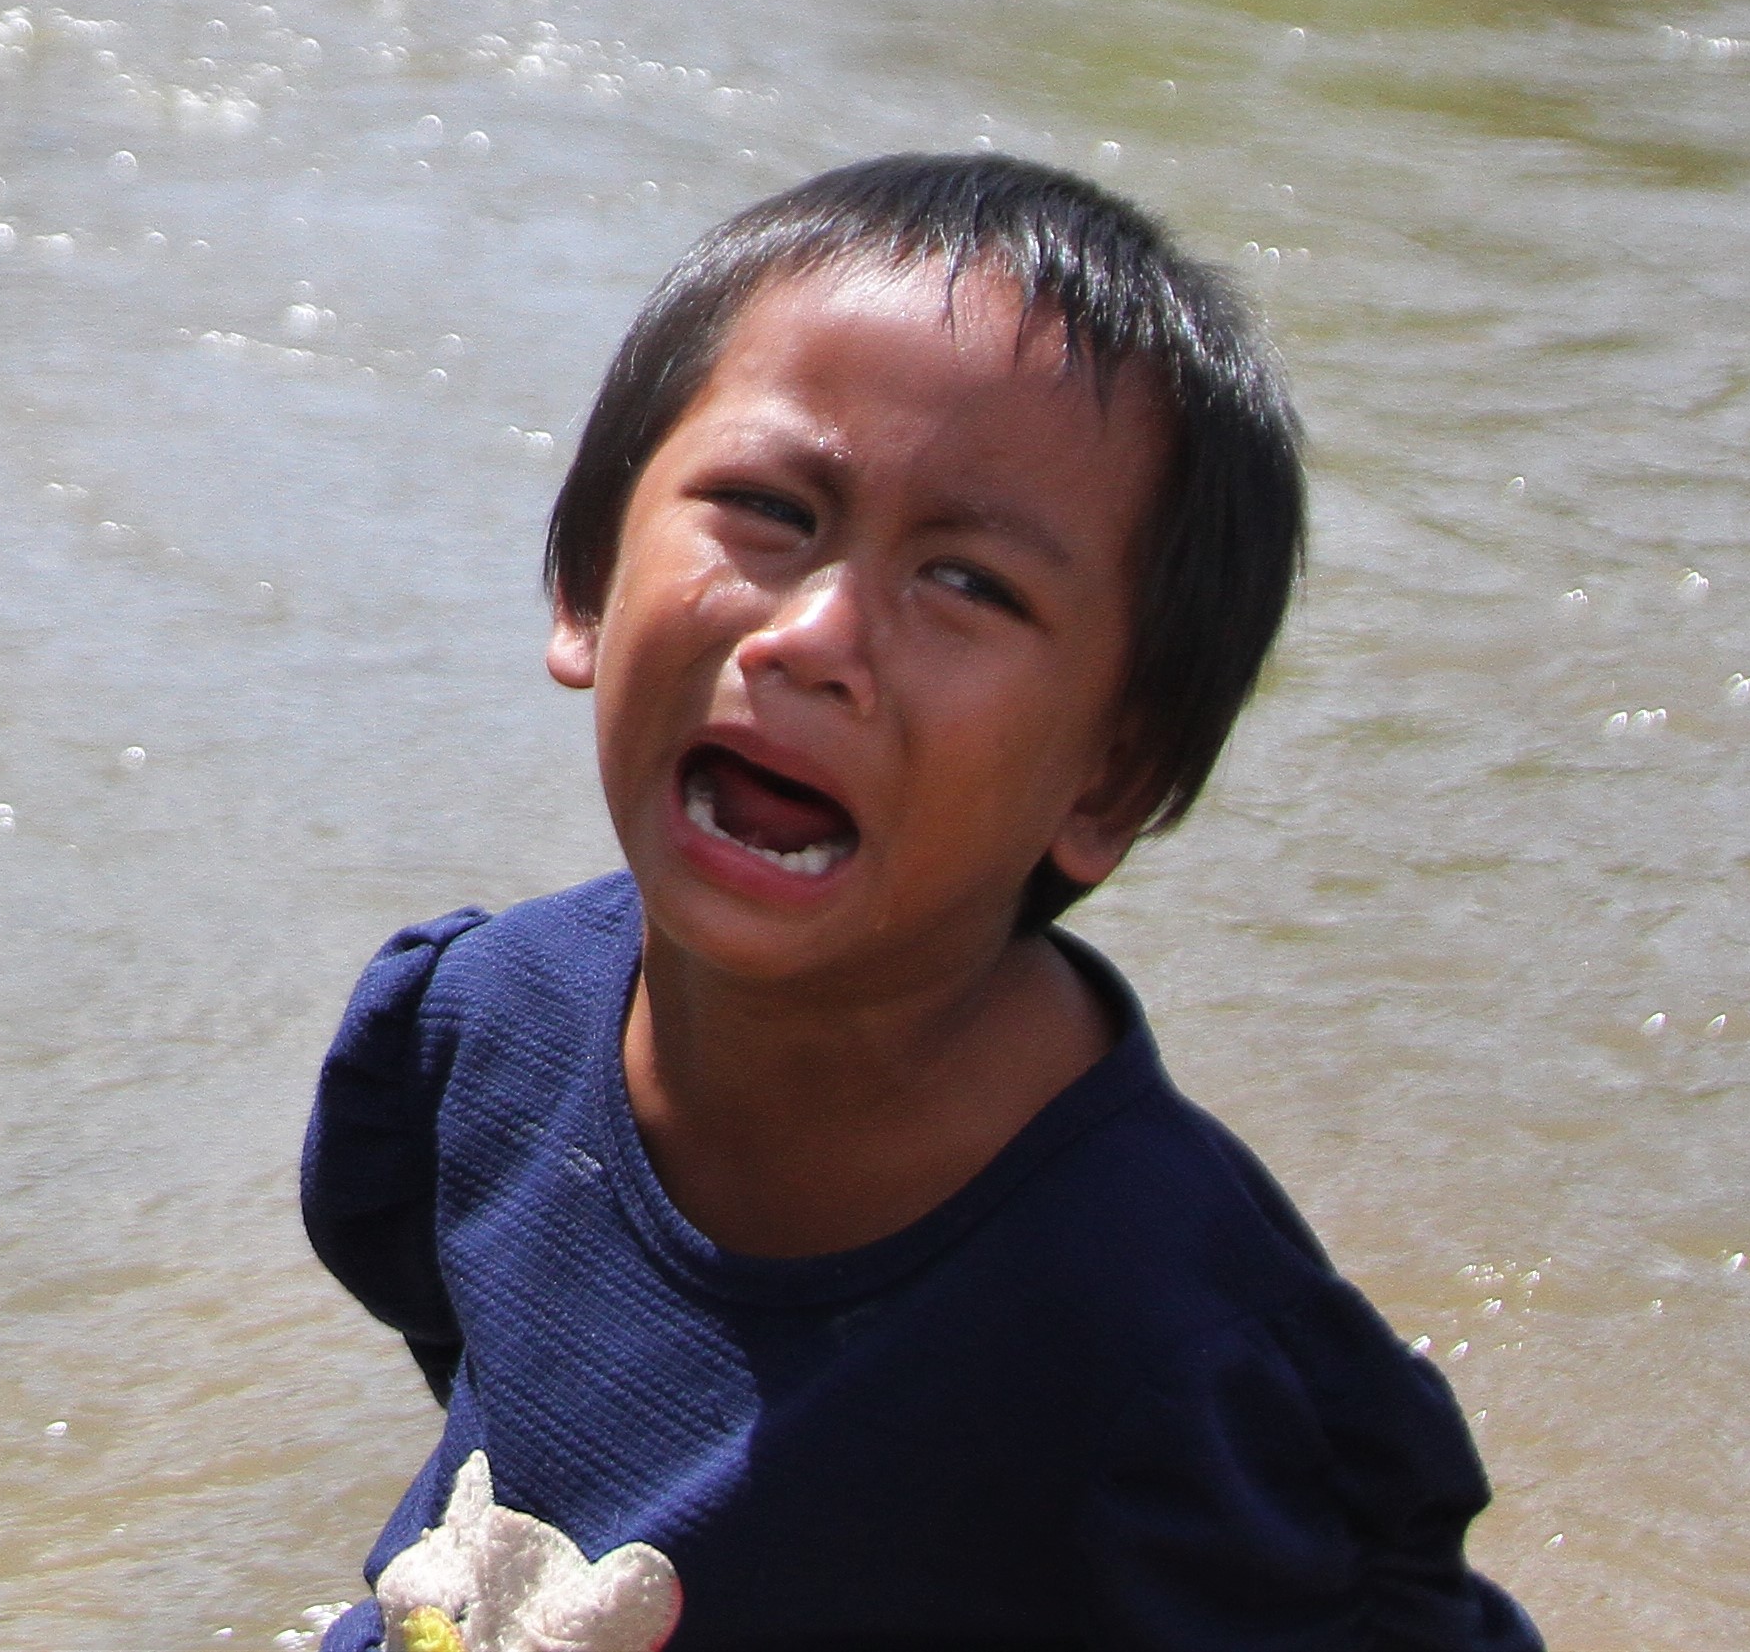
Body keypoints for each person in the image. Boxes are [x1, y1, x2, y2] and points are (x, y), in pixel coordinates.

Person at [302, 155, 1540, 1650]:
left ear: (1108, 773)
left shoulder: (1157, 1347)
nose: (816, 634)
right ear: (583, 578)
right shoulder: (472, 1033)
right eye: (766, 507)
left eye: (967, 583)